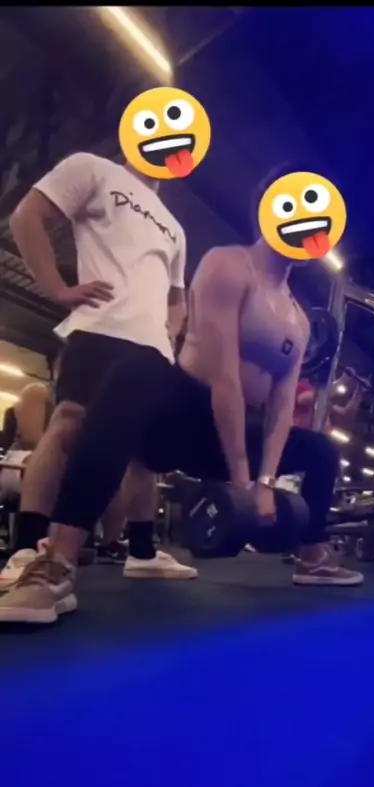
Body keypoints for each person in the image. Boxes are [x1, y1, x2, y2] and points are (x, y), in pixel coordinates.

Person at [0, 163, 364, 624]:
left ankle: (312, 557)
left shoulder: (299, 319)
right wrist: (242, 483)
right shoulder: (227, 265)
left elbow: (280, 407)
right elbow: (225, 380)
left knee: (320, 452)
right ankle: (56, 562)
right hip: (179, 416)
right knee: (137, 368)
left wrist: (266, 484)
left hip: (228, 436)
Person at [3, 148, 196, 586]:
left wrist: (169, 334)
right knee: (69, 423)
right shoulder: (94, 169)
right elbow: (26, 218)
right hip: (101, 330)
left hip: (152, 354)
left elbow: (177, 298)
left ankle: (142, 552)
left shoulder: (176, 228)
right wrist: (57, 288)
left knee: (145, 455)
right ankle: (27, 548)